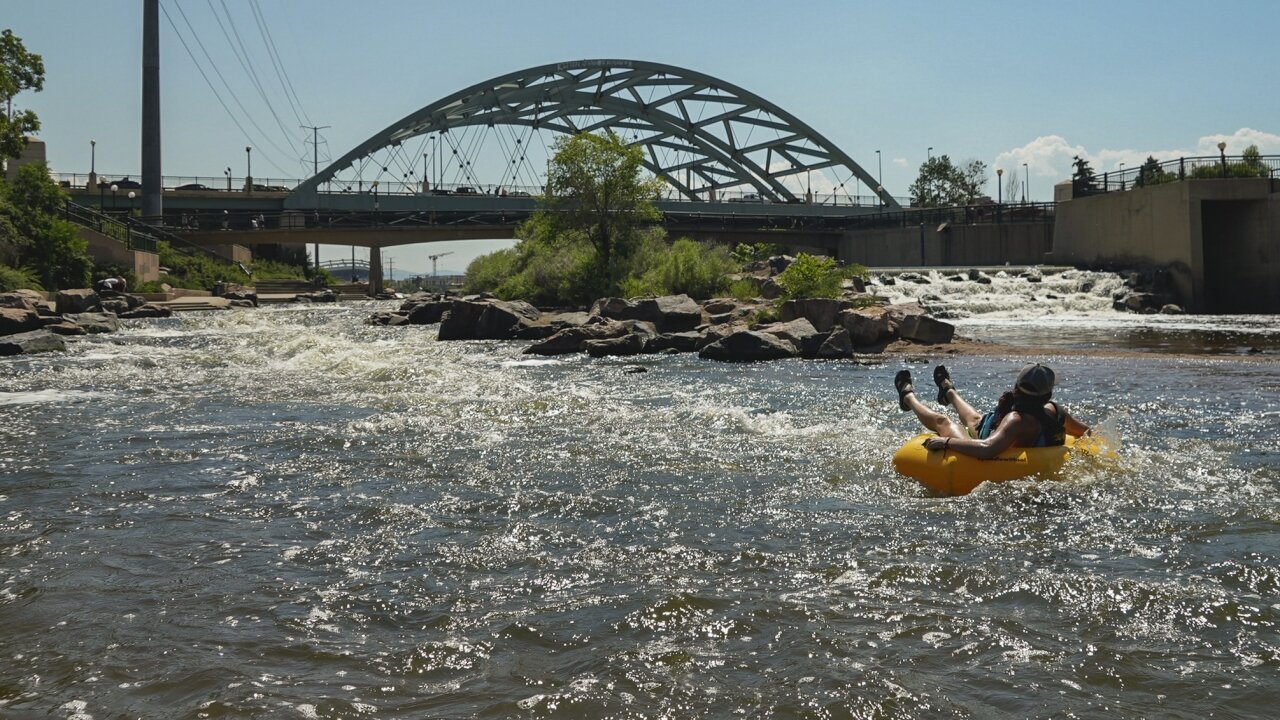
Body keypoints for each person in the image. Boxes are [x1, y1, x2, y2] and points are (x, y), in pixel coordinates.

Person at [894, 363, 1090, 459]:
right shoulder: (1055, 411)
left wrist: (946, 442)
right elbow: (1086, 432)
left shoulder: (1016, 420)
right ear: (1047, 395)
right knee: (975, 419)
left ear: (1016, 388)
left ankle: (908, 397)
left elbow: (987, 449)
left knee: (945, 422)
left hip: (990, 438)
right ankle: (948, 391)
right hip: (996, 430)